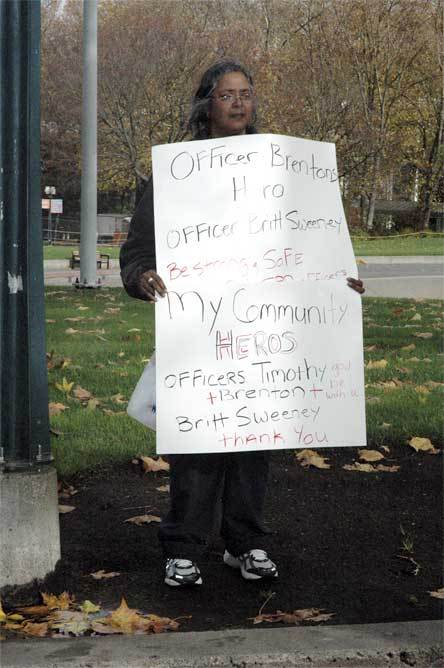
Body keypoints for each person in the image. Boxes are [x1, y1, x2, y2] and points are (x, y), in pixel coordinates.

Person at [120, 59, 365, 588]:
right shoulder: (176, 173)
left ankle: (246, 544)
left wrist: (337, 284)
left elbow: (310, 239)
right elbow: (137, 250)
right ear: (206, 103)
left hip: (266, 335)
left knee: (255, 445)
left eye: (246, 93)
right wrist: (142, 276)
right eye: (227, 93)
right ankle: (182, 548)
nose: (238, 102)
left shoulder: (282, 169)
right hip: (200, 335)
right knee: (198, 449)